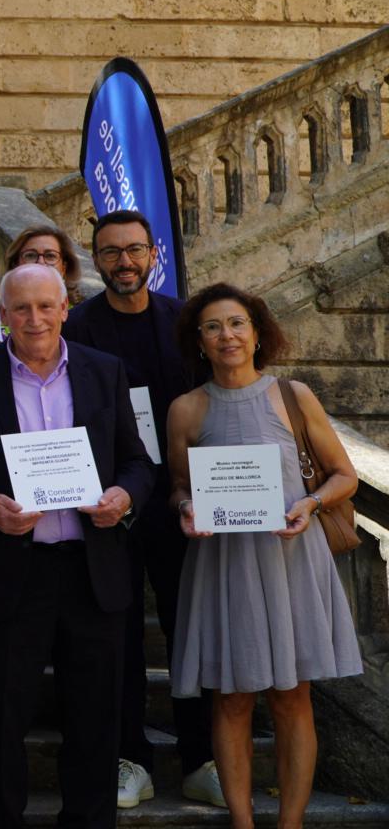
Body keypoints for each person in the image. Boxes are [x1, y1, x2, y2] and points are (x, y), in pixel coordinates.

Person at [0, 264, 153, 829]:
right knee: (0, 714)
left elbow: (137, 460)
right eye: (21, 308)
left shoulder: (104, 370)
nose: (34, 319)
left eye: (46, 306)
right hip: (9, 570)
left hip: (90, 569)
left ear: (65, 309)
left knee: (95, 715)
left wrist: (124, 496)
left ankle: (89, 820)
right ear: (3, 315)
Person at [167, 283, 362, 829]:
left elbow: (344, 476)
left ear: (257, 334)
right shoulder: (186, 409)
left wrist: (310, 503)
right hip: (224, 565)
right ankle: (242, 822)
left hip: (291, 558)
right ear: (199, 341)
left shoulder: (293, 396)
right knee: (231, 700)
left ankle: (290, 823)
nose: (226, 335)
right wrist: (185, 507)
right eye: (212, 327)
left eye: (236, 323)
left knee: (292, 697)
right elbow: (178, 486)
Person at [62, 210, 216, 809]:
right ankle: (130, 759)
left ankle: (202, 757)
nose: (123, 262)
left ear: (154, 254)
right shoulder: (76, 327)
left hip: (181, 497)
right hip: (109, 501)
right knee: (118, 635)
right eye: (110, 252)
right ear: (95, 260)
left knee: (191, 627)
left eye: (133, 250)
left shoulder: (185, 322)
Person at [6, 224, 85, 304]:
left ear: (63, 269)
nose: (41, 262)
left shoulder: (79, 311)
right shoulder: (1, 308)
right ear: (15, 265)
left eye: (50, 256)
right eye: (30, 255)